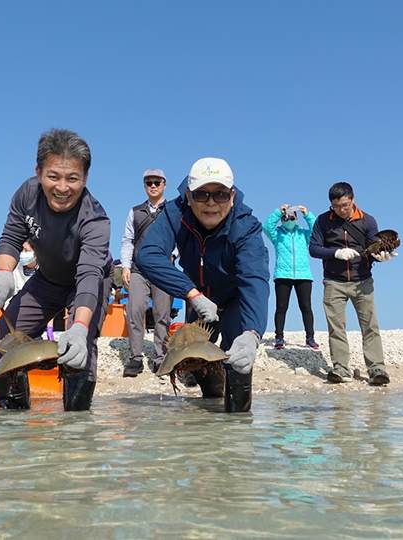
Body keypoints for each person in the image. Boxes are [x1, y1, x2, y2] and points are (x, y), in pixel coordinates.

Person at [0, 128, 112, 411]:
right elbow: (10, 238)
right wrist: (4, 273)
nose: (62, 188)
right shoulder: (27, 194)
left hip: (86, 284)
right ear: (39, 171)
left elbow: (89, 274)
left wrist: (78, 327)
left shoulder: (96, 219)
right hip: (47, 279)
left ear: (85, 178)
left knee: (80, 351)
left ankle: (76, 431)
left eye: (72, 178)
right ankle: (13, 423)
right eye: (53, 176)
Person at [136, 157, 269, 413]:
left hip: (234, 300)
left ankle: (238, 426)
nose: (211, 203)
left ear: (231, 196)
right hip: (198, 300)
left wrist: (252, 333)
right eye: (202, 194)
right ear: (188, 195)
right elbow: (148, 255)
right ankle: (208, 410)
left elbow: (254, 280)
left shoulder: (246, 226)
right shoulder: (175, 213)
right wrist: (192, 294)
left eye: (219, 195)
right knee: (195, 357)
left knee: (239, 356)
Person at [309, 181, 394, 385]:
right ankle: (341, 369)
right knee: (336, 327)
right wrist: (336, 252)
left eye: (345, 205)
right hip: (333, 282)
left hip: (362, 281)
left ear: (352, 200)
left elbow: (375, 247)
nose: (341, 210)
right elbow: (313, 249)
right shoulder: (322, 221)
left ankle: (377, 369)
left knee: (370, 326)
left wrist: (381, 256)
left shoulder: (368, 220)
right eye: (336, 206)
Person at [119, 168, 174, 377]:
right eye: (149, 182)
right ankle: (135, 357)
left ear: (164, 184)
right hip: (138, 269)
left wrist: (173, 255)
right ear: (144, 186)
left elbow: (179, 235)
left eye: (157, 182)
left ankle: (161, 356)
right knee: (135, 310)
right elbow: (127, 240)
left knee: (163, 313)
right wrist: (125, 265)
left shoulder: (172, 210)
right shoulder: (134, 211)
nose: (153, 186)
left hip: (163, 269)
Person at [262, 203, 318, 350]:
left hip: (303, 275)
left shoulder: (303, 235)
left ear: (296, 218)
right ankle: (279, 338)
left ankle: (310, 337)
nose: (289, 219)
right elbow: (267, 226)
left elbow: (316, 230)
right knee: (281, 307)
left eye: (292, 216)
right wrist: (278, 211)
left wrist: (307, 214)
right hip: (283, 275)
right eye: (285, 217)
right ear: (282, 219)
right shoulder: (277, 235)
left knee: (306, 307)